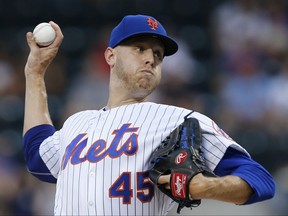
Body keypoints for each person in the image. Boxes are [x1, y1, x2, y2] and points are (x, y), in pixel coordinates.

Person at [22, 14, 275, 215]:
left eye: (157, 54)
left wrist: (207, 186)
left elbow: (260, 180)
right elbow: (37, 156)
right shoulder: (78, 122)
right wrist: (35, 73)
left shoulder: (179, 120)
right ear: (110, 55)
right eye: (139, 48)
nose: (150, 59)